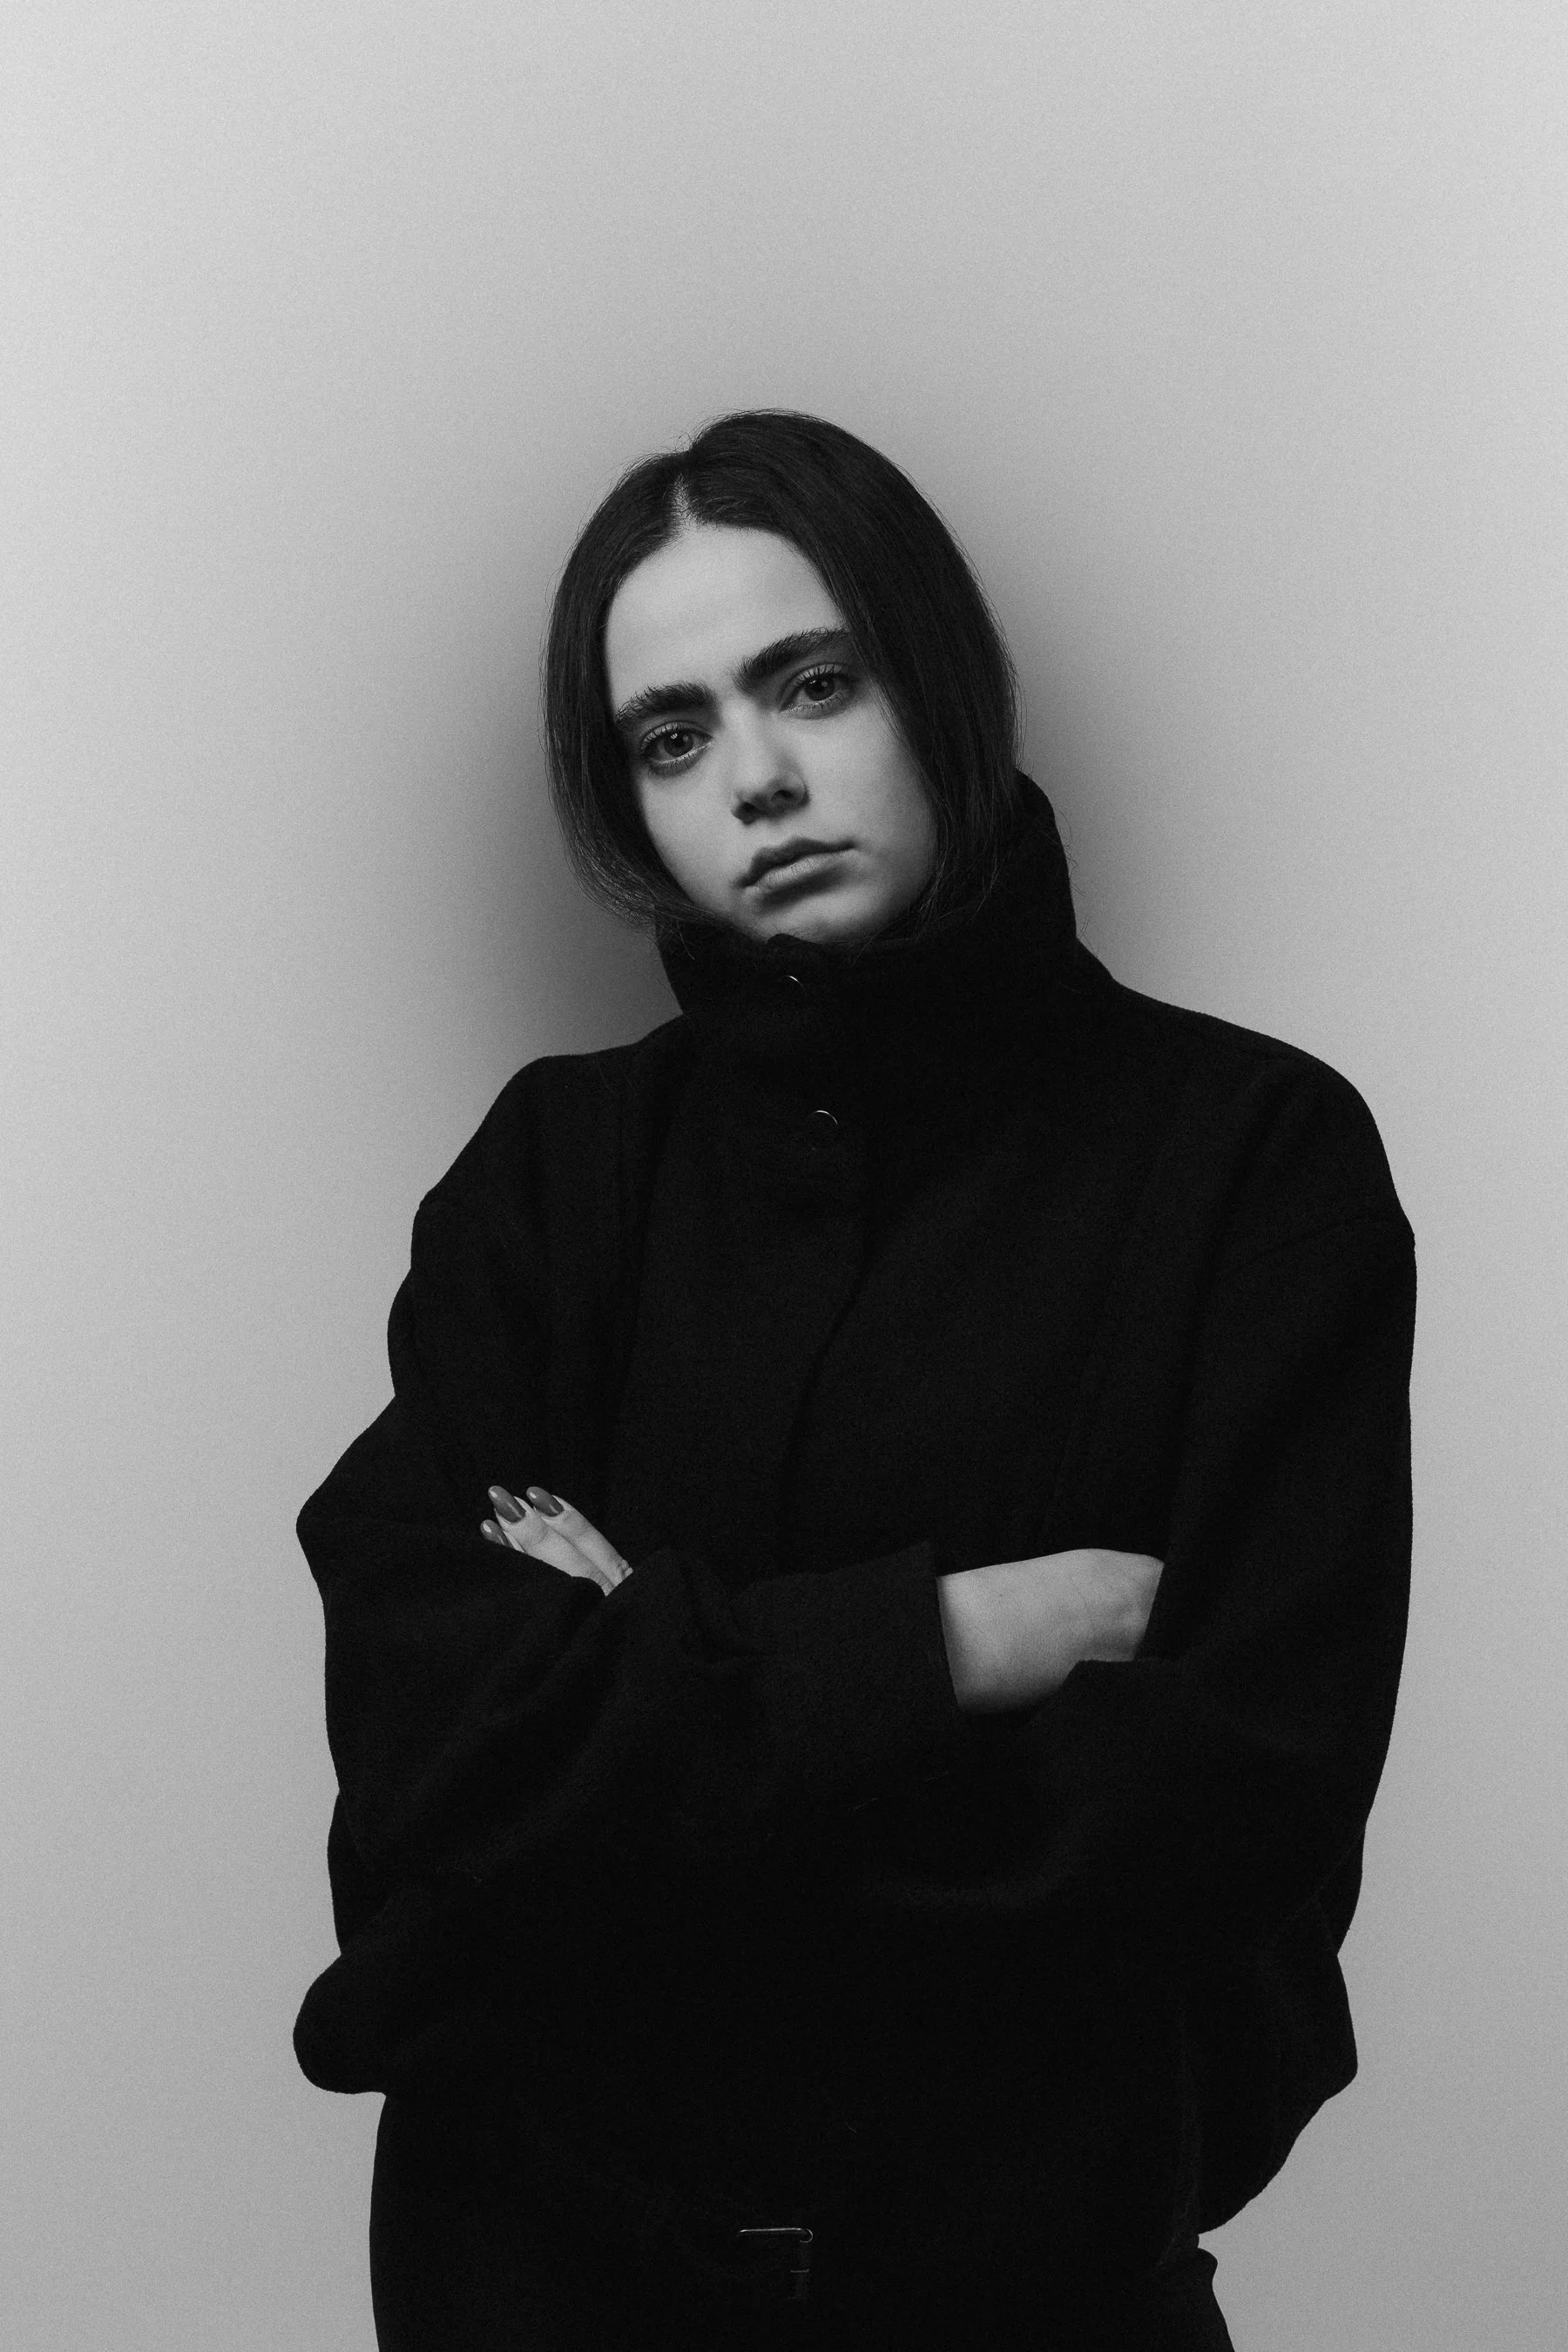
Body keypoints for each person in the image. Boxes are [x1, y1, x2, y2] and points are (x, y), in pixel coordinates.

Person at [293, 411, 1416, 2351]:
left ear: (940, 678)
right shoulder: (554, 1178)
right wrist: (951, 1649)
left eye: (813, 682)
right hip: (531, 2284)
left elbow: (1231, 1825)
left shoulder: (1255, 1163)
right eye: (671, 735)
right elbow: (430, 1757)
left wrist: (648, 1692)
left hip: (1030, 2294)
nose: (758, 778)